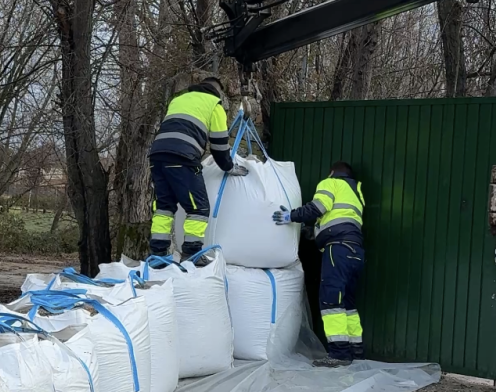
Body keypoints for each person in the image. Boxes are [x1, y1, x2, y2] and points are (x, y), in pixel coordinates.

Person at [272, 161, 365, 367]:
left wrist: (291, 216)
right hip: (355, 251)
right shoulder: (355, 194)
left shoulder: (330, 183)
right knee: (347, 304)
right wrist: (312, 232)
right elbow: (336, 221)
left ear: (332, 173)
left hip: (337, 249)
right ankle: (355, 351)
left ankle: (339, 354)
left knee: (331, 301)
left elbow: (318, 208)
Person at [147, 76, 249, 265]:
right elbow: (219, 145)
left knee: (164, 207)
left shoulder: (178, 100)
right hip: (182, 158)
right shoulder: (214, 105)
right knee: (198, 208)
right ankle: (192, 254)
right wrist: (228, 167)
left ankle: (157, 255)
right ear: (218, 92)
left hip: (157, 156)